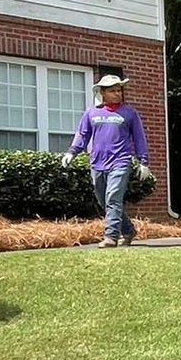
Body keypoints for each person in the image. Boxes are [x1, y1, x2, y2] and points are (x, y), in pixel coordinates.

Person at [65, 73, 148, 247]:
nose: (118, 94)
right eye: (113, 91)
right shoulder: (92, 113)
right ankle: (128, 230)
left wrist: (143, 162)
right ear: (102, 92)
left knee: (113, 198)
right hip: (97, 163)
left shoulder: (129, 113)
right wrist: (72, 152)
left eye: (119, 90)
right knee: (104, 200)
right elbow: (82, 135)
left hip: (120, 161)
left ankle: (111, 236)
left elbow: (139, 138)